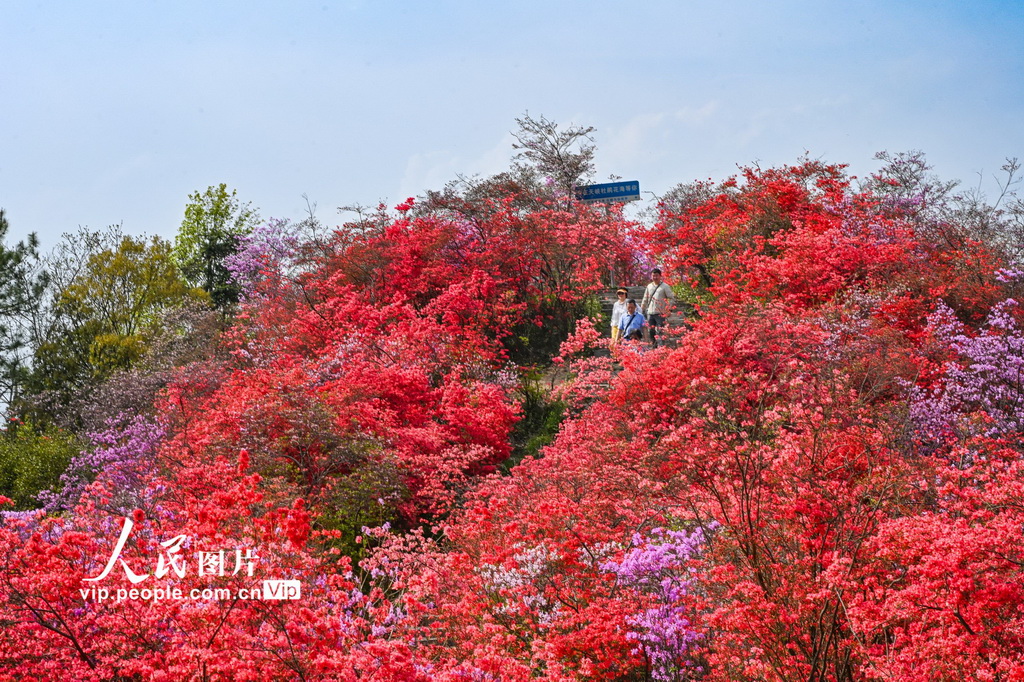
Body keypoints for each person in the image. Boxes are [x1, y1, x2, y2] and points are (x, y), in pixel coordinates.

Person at [640, 268, 674, 348]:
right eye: (653, 275)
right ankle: (654, 347)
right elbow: (645, 298)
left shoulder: (665, 286)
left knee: (660, 331)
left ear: (660, 276)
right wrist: (642, 307)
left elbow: (671, 298)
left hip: (660, 313)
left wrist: (669, 309)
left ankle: (662, 347)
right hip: (650, 312)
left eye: (656, 275)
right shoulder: (649, 286)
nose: (655, 277)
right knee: (651, 331)